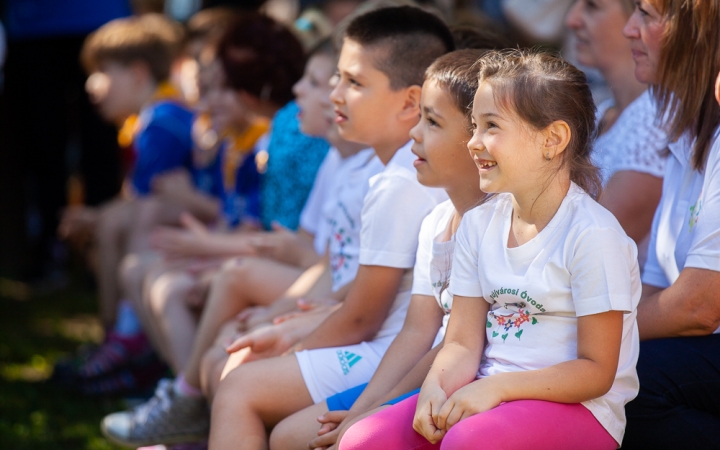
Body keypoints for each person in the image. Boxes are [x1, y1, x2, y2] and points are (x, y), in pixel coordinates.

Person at [340, 49, 641, 450]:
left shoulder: (593, 235)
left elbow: (597, 371)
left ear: (552, 139)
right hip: (484, 393)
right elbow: (462, 343)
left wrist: (497, 389)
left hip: (582, 412)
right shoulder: (480, 224)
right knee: (364, 440)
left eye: (491, 127)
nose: (473, 142)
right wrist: (435, 387)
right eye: (474, 126)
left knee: (468, 441)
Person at [100, 35, 380, 447]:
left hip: (348, 315)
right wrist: (284, 310)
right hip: (326, 295)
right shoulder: (340, 159)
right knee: (225, 339)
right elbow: (320, 257)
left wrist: (290, 322)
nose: (302, 91)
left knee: (230, 326)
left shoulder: (379, 173)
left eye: (333, 82)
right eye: (325, 81)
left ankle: (186, 405)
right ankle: (190, 413)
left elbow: (346, 282)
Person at [207, 6, 453, 449]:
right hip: (391, 345)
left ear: (410, 102)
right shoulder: (391, 172)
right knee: (243, 374)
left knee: (240, 386)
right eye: (337, 78)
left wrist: (291, 350)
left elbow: (362, 317)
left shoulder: (400, 183)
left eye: (354, 83)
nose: (334, 95)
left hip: (396, 353)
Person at [270, 48, 496, 450]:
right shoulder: (437, 222)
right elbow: (417, 330)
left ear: (476, 140)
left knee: (354, 440)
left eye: (432, 122)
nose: (415, 133)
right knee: (289, 436)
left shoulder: (492, 226)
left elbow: (454, 346)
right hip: (424, 373)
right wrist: (367, 405)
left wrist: (376, 411)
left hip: (472, 385)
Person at [619, 1, 720, 448]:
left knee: (635, 381)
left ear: (697, 32)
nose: (628, 29)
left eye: (645, 14)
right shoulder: (687, 135)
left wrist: (577, 330)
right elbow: (656, 289)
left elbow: (699, 307)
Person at [565, 0, 667, 255]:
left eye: (592, 6)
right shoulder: (603, 113)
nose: (572, 20)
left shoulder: (659, 120)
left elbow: (588, 247)